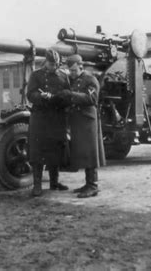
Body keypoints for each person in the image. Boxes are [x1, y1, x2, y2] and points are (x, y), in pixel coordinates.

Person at [54, 54, 105, 198]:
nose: (73, 73)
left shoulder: (90, 79)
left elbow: (92, 98)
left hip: (88, 120)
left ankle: (93, 185)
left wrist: (71, 94)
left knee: (90, 152)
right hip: (78, 121)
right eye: (71, 71)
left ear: (81, 67)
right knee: (83, 153)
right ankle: (88, 183)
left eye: (75, 70)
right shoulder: (74, 80)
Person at [26, 49, 70, 197]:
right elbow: (30, 94)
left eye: (57, 64)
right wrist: (41, 96)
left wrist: (57, 97)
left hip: (57, 118)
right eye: (52, 64)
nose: (54, 67)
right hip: (40, 118)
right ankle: (37, 185)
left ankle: (54, 182)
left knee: (56, 150)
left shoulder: (64, 77)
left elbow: (68, 95)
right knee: (38, 152)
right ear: (46, 62)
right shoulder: (36, 75)